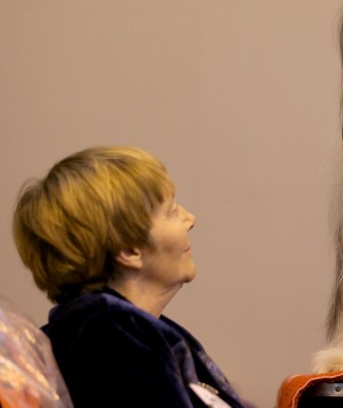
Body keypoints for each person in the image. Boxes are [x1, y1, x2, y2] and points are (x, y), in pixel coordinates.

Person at [13, 146, 246, 408]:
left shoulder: (126, 328)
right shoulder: (108, 336)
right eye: (171, 212)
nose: (190, 219)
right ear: (129, 250)